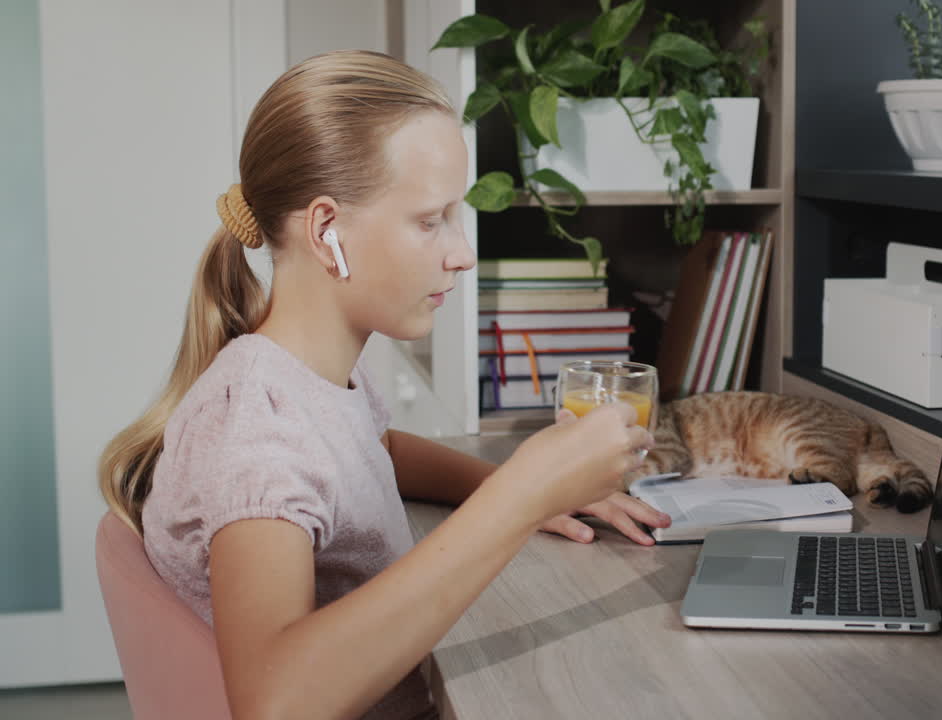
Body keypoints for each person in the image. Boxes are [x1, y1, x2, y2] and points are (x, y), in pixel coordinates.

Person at [98, 49, 670, 720]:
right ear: (326, 231)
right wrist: (519, 497)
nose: (462, 253)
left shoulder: (305, 376)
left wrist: (536, 486)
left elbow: (374, 450)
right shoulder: (255, 429)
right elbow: (274, 702)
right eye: (430, 221)